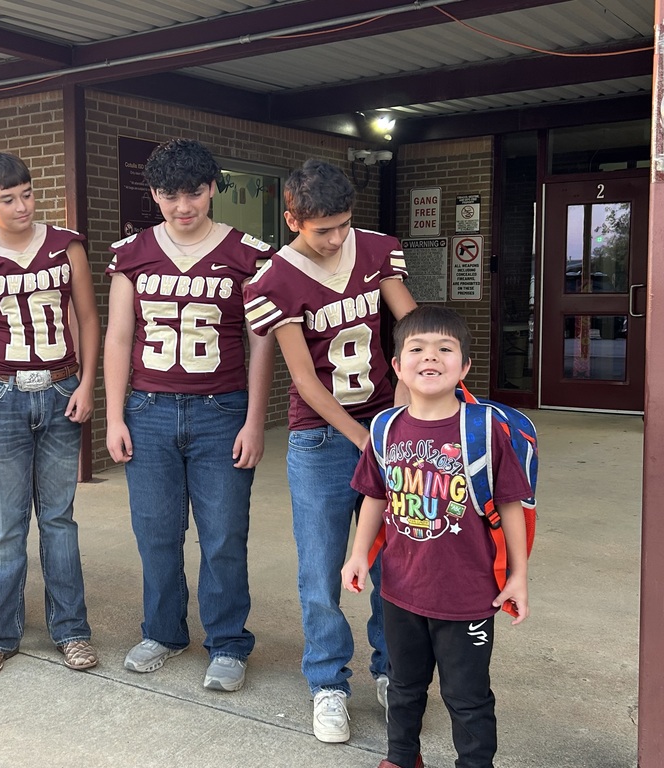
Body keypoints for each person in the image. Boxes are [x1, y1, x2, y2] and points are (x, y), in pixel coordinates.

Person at [243, 159, 416, 741]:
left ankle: (393, 673)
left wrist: (407, 414)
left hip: (386, 421)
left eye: (344, 224)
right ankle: (328, 684)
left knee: (394, 562)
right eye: (323, 230)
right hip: (321, 438)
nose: (337, 238)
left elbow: (412, 328)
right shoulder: (275, 279)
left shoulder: (376, 250)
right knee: (321, 568)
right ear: (292, 219)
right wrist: (366, 440)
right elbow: (306, 381)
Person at [104, 138, 275, 692]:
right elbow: (119, 337)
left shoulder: (248, 254)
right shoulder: (132, 253)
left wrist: (254, 420)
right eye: (171, 194)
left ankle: (226, 641)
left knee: (223, 534)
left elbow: (261, 343)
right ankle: (163, 631)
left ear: (212, 189)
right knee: (155, 531)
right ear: (154, 193)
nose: (184, 206)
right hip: (149, 408)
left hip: (220, 410)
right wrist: (114, 416)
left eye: (195, 193)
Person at [341, 305, 531, 768]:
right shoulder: (385, 428)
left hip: (468, 596)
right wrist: (359, 554)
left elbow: (511, 505)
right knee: (402, 685)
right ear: (397, 365)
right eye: (418, 348)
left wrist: (519, 576)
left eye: (445, 349)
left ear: (464, 366)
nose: (430, 357)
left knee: (467, 696)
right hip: (400, 590)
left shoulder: (483, 430)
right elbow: (375, 496)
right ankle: (402, 758)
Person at [0, 151, 100, 679]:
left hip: (60, 388)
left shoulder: (66, 245)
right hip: (0, 396)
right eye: (8, 199)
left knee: (59, 519)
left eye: (28, 194)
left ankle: (71, 630)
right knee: (3, 524)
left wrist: (87, 383)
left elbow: (87, 317)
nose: (21, 206)